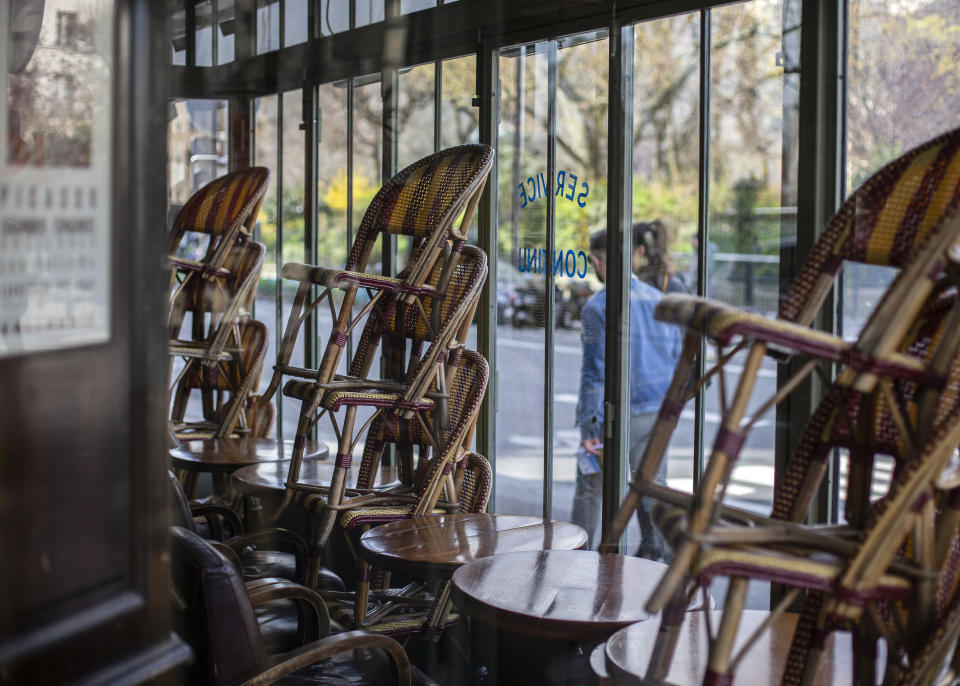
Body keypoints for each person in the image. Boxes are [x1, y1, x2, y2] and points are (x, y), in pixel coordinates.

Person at [573, 226, 682, 557]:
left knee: (590, 487)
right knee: (653, 485)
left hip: (619, 413)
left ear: (596, 261)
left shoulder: (597, 307)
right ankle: (661, 555)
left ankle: (579, 555)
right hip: (657, 410)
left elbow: (595, 372)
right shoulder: (658, 300)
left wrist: (590, 424)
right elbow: (676, 355)